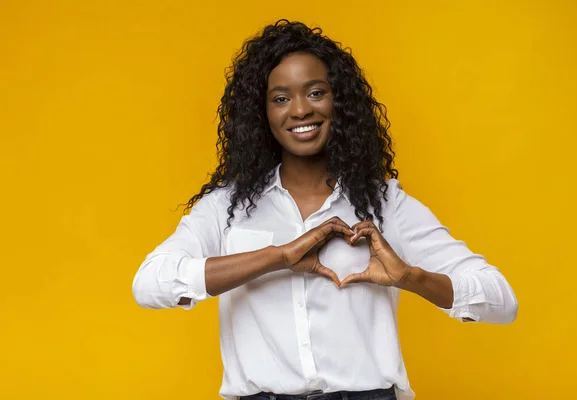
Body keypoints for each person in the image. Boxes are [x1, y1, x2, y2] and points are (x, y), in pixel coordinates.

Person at [132, 19, 518, 400]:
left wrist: (410, 277)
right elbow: (150, 283)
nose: (300, 110)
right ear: (261, 113)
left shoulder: (385, 204)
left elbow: (501, 301)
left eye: (316, 92)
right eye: (281, 98)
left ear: (340, 102)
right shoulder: (227, 208)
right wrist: (276, 257)